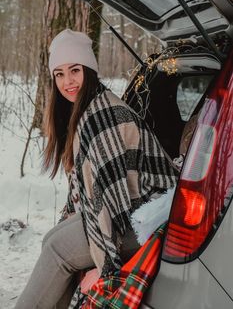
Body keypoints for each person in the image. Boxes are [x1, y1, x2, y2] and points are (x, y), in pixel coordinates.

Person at [15, 29, 178, 309]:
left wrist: (104, 268)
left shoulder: (102, 116)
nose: (68, 82)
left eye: (75, 70)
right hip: (129, 212)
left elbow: (112, 204)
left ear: (88, 70)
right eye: (60, 74)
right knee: (52, 239)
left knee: (57, 249)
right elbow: (88, 190)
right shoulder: (86, 108)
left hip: (146, 221)